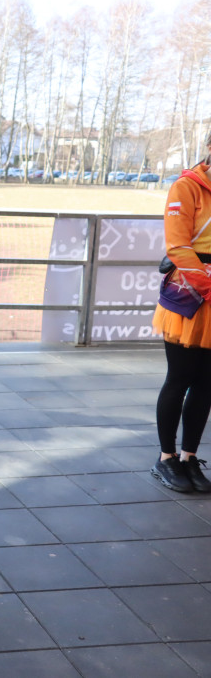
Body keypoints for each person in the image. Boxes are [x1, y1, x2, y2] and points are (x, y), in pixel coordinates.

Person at [151, 132, 211, 494]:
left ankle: (189, 457)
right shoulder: (187, 187)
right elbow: (177, 245)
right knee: (179, 379)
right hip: (190, 293)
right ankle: (166, 458)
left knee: (207, 385)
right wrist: (206, 285)